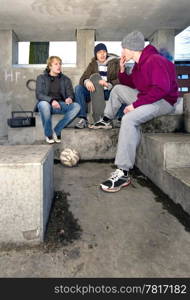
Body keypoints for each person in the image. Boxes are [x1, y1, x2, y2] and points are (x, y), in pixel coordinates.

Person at [90, 31, 179, 192]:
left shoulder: (154, 60)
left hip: (164, 101)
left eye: (124, 48)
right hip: (147, 97)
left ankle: (123, 172)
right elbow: (131, 84)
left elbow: (161, 89)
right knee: (117, 89)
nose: (122, 52)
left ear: (132, 48)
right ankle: (106, 119)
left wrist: (137, 104)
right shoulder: (139, 65)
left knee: (129, 119)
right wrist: (123, 70)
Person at [74, 43, 120, 128]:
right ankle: (83, 119)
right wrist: (87, 81)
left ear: (107, 53)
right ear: (96, 54)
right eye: (99, 52)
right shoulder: (93, 64)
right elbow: (83, 78)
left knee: (120, 90)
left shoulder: (115, 63)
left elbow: (120, 78)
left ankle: (119, 119)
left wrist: (109, 84)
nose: (102, 54)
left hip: (108, 91)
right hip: (94, 91)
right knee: (78, 88)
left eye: (104, 52)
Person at [36, 56, 80, 144]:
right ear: (50, 66)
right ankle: (48, 134)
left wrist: (70, 98)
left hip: (60, 105)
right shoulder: (41, 78)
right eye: (56, 64)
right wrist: (51, 101)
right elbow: (39, 94)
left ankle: (57, 129)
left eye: (60, 64)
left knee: (77, 106)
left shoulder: (65, 79)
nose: (59, 66)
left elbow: (70, 94)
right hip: (47, 105)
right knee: (43, 104)